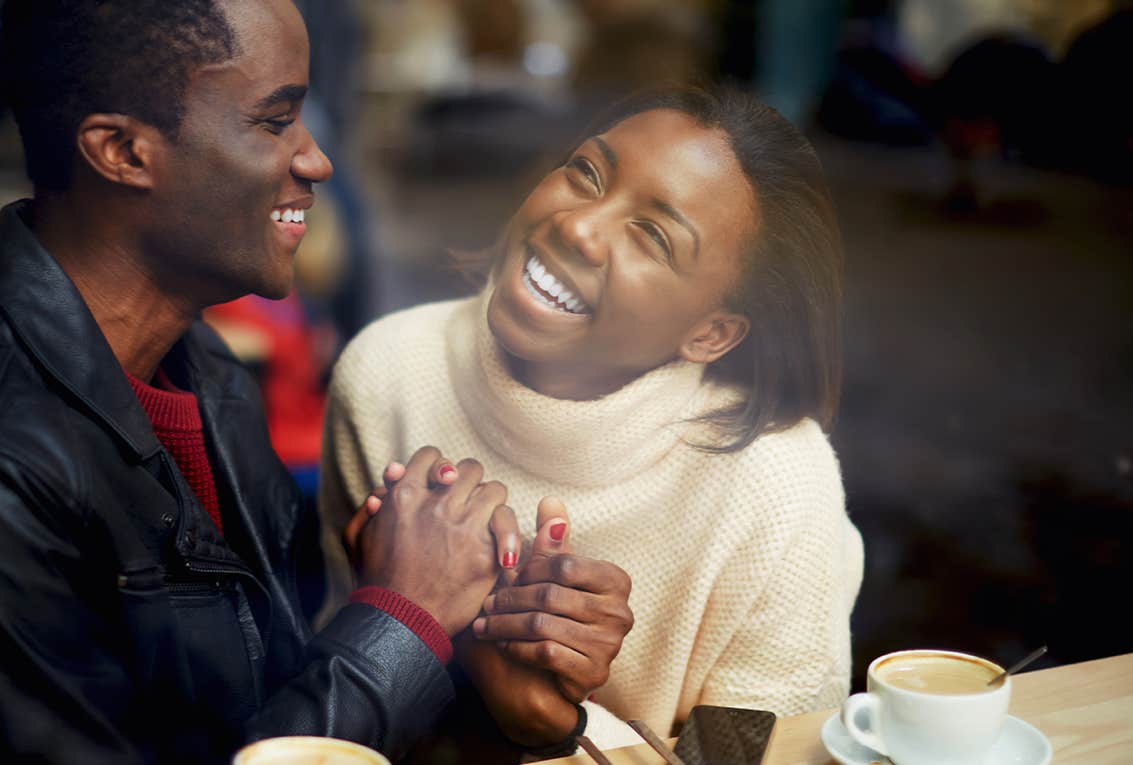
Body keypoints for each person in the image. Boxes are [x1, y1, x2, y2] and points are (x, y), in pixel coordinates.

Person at [0, 1, 619, 762]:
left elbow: (257, 714)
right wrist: (397, 619)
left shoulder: (206, 374)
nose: (316, 158)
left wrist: (480, 677)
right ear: (121, 150)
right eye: (275, 120)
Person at [321, 85, 865, 748]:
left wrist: (557, 724)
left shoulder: (776, 485)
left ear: (713, 333)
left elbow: (764, 756)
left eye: (654, 237)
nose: (578, 225)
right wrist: (434, 632)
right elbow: (333, 713)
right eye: (586, 173)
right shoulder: (389, 372)